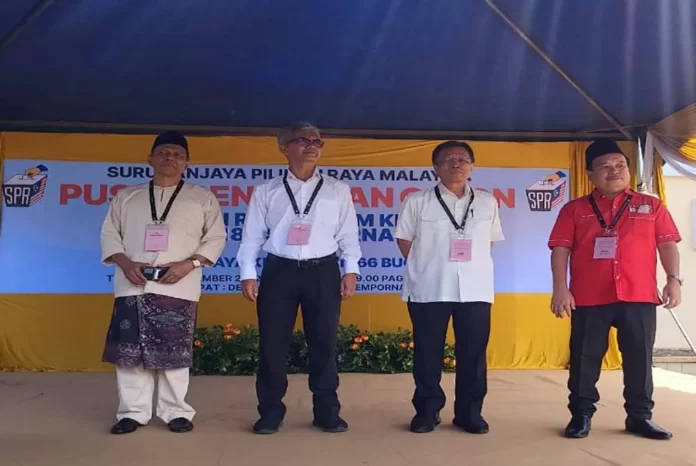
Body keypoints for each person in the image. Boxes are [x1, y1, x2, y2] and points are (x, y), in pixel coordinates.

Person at [548, 138, 682, 440]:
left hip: (639, 295)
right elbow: (560, 249)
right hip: (589, 296)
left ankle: (640, 417)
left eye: (620, 165)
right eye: (605, 166)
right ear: (590, 174)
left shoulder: (651, 206)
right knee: (584, 359)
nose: (614, 171)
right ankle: (581, 415)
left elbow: (667, 244)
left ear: (629, 170)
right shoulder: (575, 209)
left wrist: (673, 279)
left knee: (639, 359)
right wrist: (560, 289)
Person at [236, 122, 362, 435]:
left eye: (317, 141)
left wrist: (350, 270)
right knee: (272, 344)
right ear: (284, 147)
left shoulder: (338, 190)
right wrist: (248, 273)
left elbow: (348, 234)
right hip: (280, 271)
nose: (312, 146)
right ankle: (270, 412)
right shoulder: (267, 191)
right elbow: (252, 235)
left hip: (323, 271)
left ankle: (327, 412)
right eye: (303, 140)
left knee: (324, 343)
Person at [100, 131, 227, 435]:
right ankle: (133, 412)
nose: (170, 158)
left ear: (187, 163)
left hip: (179, 284)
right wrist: (125, 263)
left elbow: (216, 238)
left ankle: (176, 412)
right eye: (163, 152)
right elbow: (109, 234)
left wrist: (189, 264)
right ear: (150, 159)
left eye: (177, 154)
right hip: (132, 282)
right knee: (130, 352)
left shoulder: (202, 197)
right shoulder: (126, 196)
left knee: (174, 352)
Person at [394, 141, 504, 434]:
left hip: (476, 289)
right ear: (435, 168)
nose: (456, 164)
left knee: (473, 354)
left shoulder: (487, 202)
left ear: (472, 166)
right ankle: (427, 412)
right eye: (448, 160)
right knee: (427, 353)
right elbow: (404, 240)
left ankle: (469, 413)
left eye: (463, 159)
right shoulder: (417, 201)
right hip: (429, 288)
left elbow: (489, 242)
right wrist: (428, 267)